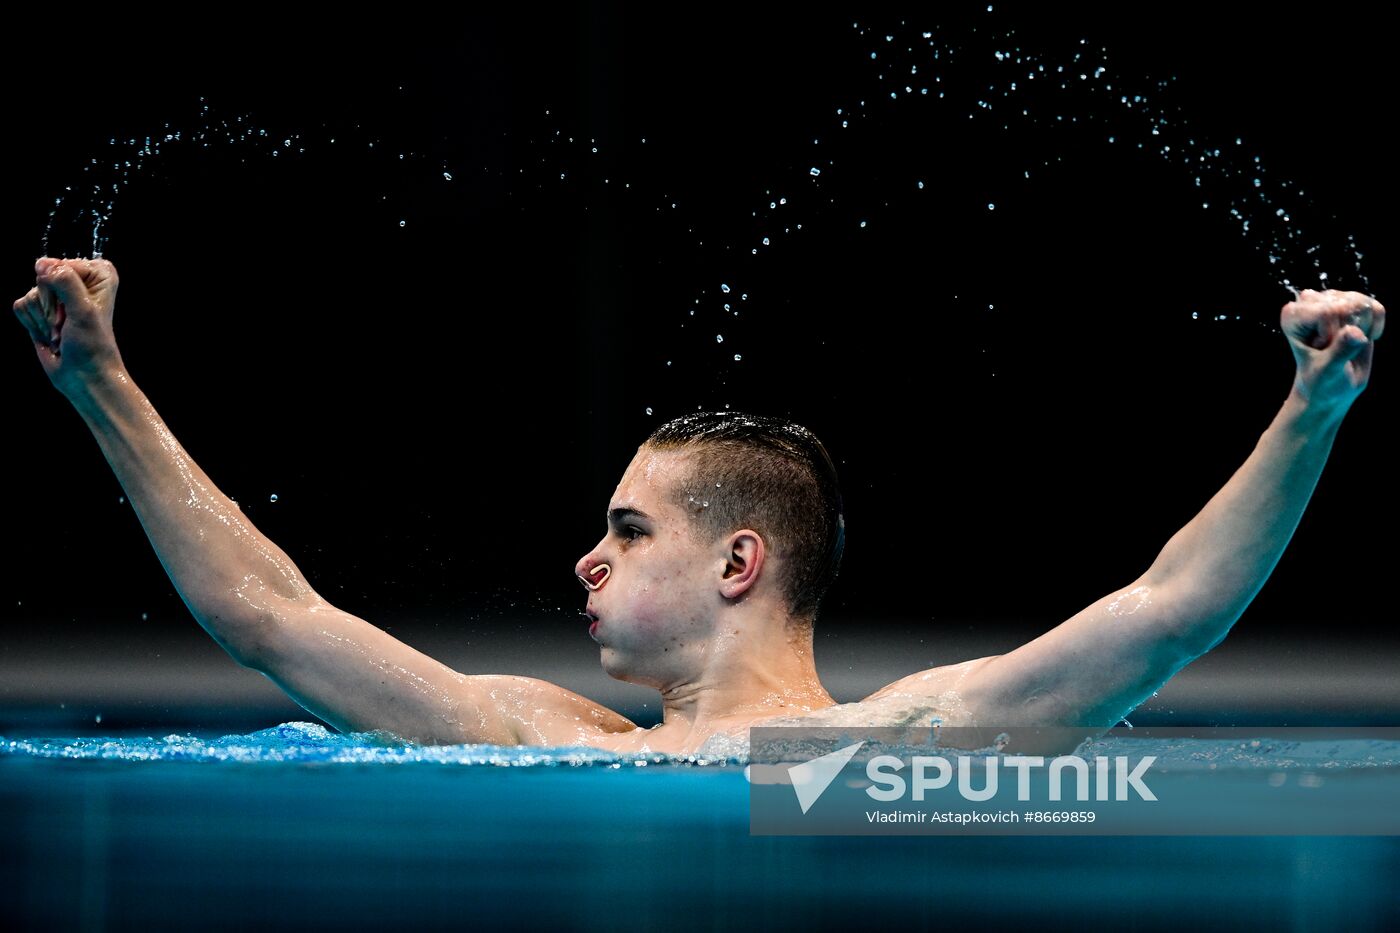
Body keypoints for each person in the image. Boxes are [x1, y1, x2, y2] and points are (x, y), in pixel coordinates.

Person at [12, 256, 1384, 755]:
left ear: (741, 559)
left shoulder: (900, 740)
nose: (584, 560)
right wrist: (103, 385)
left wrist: (1309, 408)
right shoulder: (539, 732)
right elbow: (271, 618)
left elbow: (1167, 613)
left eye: (626, 528)